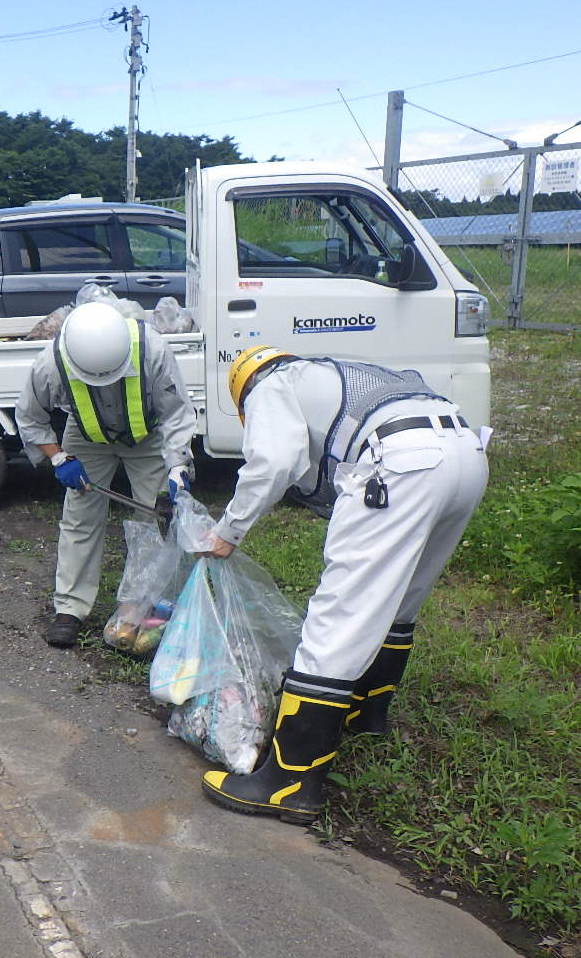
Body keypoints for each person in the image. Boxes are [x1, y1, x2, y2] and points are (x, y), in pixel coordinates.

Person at [199, 346, 488, 824]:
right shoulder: (337, 371)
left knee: (339, 617)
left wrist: (229, 531)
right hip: (466, 453)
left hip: (401, 462)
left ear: (242, 394)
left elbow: (272, 463)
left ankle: (286, 783)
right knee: (401, 599)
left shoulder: (270, 384)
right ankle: (365, 717)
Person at [15, 300, 196, 648]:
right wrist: (58, 458)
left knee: (157, 517)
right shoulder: (51, 364)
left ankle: (147, 606)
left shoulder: (152, 351)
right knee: (80, 518)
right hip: (86, 435)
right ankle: (70, 608)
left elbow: (176, 414)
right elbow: (30, 418)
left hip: (148, 435)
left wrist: (177, 466)